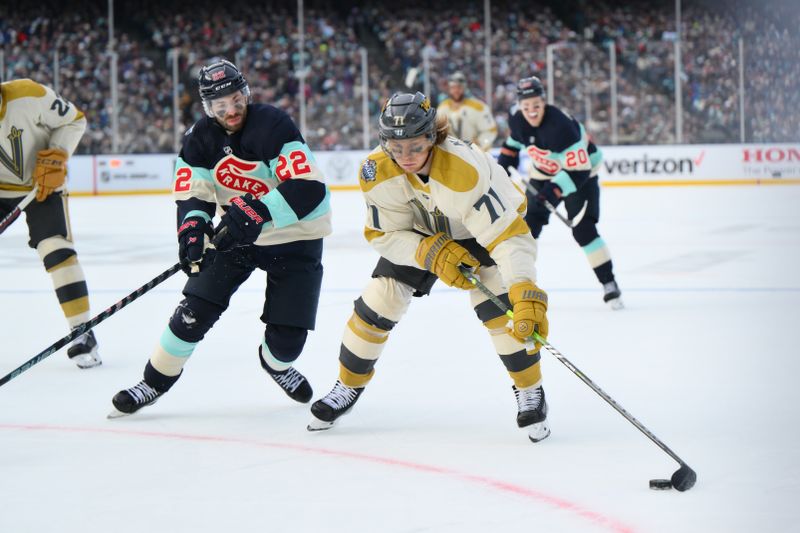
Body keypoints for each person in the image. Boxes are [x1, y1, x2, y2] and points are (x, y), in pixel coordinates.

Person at [308, 92, 551, 443]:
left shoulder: (462, 169)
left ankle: (530, 390)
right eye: (396, 146)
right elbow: (383, 233)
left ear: (432, 138)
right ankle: (347, 386)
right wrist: (427, 251)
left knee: (503, 311)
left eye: (416, 147)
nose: (406, 157)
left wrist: (524, 286)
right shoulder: (376, 171)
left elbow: (507, 236)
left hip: (480, 233)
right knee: (378, 301)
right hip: (422, 234)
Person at [109, 59, 331, 416]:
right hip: (238, 236)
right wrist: (193, 230)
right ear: (208, 107)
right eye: (220, 105)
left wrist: (257, 211)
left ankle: (274, 365)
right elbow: (194, 193)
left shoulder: (273, 124)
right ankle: (152, 382)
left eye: (236, 100)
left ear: (246, 94)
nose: (231, 111)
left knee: (287, 343)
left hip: (295, 236)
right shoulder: (199, 138)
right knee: (191, 314)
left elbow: (308, 190)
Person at [0, 76, 101, 368]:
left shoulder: (29, 95)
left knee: (56, 249)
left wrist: (57, 154)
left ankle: (82, 331)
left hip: (42, 184)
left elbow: (74, 120)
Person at [497, 76, 622, 309]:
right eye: (526, 107)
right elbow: (513, 144)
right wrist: (503, 166)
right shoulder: (516, 120)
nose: (531, 112)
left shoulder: (561, 127)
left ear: (543, 102)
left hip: (582, 174)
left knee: (583, 231)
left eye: (536, 105)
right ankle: (515, 283)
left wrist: (553, 191)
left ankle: (609, 284)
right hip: (544, 171)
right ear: (519, 106)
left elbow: (578, 171)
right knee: (526, 229)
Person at [436, 71, 498, 152]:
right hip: (452, 154)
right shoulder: (442, 108)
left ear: (464, 88)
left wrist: (479, 144)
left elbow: (490, 130)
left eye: (459, 87)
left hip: (476, 154)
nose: (456, 90)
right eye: (453, 87)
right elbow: (439, 131)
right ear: (449, 89)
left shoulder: (478, 107)